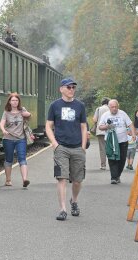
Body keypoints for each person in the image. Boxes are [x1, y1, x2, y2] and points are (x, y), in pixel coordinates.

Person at [45, 78, 87, 221]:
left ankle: (73, 201)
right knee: (61, 178)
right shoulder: (54, 106)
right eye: (68, 87)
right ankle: (62, 209)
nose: (71, 89)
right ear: (61, 89)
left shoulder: (80, 106)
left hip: (77, 147)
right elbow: (48, 126)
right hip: (61, 147)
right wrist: (54, 143)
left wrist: (83, 146)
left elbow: (83, 127)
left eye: (73, 87)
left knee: (77, 180)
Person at [99, 99, 136, 184]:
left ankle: (117, 175)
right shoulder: (105, 115)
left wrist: (133, 134)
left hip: (122, 141)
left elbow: (130, 124)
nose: (114, 109)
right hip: (110, 142)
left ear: (118, 106)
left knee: (122, 159)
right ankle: (114, 177)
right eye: (112, 107)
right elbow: (100, 127)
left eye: (116, 107)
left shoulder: (123, 113)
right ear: (109, 107)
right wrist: (107, 126)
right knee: (112, 158)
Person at [0, 93, 31, 187]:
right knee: (9, 159)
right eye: (13, 100)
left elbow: (29, 116)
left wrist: (28, 114)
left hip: (20, 139)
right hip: (8, 139)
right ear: (9, 101)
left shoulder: (22, 110)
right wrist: (3, 130)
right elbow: (2, 123)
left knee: (22, 158)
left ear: (19, 102)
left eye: (16, 100)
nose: (15, 102)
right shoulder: (6, 112)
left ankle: (25, 180)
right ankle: (8, 180)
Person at [92, 97, 110, 170]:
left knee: (102, 149)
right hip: (109, 131)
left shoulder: (99, 109)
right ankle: (112, 164)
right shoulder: (111, 109)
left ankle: (103, 165)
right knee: (110, 147)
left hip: (100, 131)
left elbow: (94, 119)